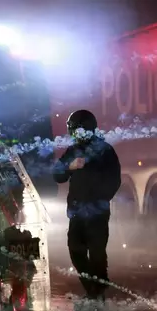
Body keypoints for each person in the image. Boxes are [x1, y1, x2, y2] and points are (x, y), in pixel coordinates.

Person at [52, 110, 121, 300]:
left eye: (74, 130)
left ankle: (98, 292)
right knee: (75, 250)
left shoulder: (105, 151)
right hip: (76, 213)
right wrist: (70, 167)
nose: (72, 134)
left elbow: (115, 180)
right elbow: (57, 175)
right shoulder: (73, 151)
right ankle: (92, 289)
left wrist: (99, 201)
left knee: (97, 253)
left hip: (97, 214)